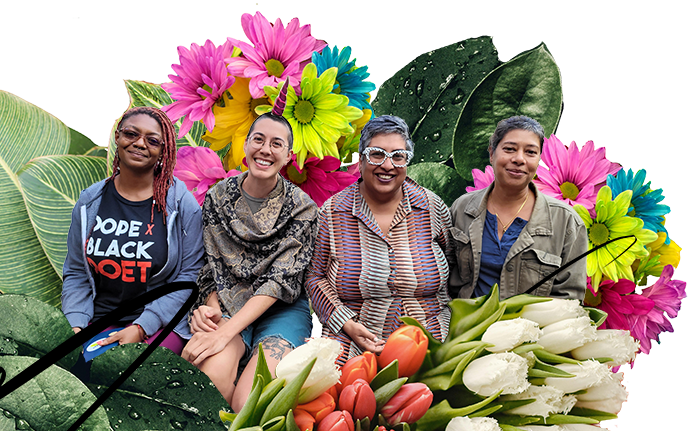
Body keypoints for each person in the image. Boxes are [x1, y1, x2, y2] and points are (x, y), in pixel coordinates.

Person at [182, 112, 318, 412]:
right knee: (209, 383)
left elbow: (280, 281)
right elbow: (212, 266)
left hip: (280, 308)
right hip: (230, 300)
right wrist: (209, 311)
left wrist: (223, 335)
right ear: (245, 145)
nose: (265, 149)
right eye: (259, 139)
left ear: (288, 155)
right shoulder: (218, 198)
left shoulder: (302, 209)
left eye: (276, 144)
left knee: (250, 403)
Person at [306, 114, 453, 365]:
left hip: (430, 338)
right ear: (361, 159)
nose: (388, 165)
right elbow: (315, 276)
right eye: (377, 154)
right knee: (341, 398)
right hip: (353, 340)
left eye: (398, 156)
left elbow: (454, 261)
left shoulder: (431, 207)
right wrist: (346, 323)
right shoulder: (333, 212)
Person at [61, 106, 204, 358]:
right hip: (99, 319)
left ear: (163, 150)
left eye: (152, 141)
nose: (140, 144)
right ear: (117, 137)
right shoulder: (90, 202)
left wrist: (141, 327)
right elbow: (76, 272)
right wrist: (75, 324)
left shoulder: (182, 206)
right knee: (75, 372)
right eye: (131, 134)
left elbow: (188, 276)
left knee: (129, 372)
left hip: (158, 325)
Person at [448, 115, 587, 300]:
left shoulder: (566, 222)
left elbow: (569, 299)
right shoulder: (462, 208)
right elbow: (441, 277)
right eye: (509, 149)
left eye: (530, 152)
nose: (519, 159)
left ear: (539, 160)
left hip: (532, 328)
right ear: (491, 153)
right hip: (465, 326)